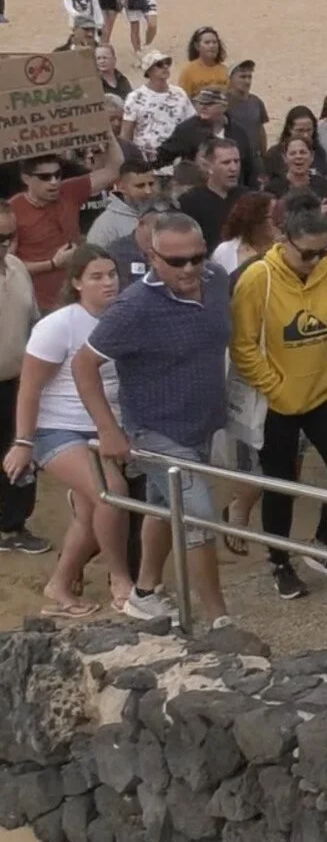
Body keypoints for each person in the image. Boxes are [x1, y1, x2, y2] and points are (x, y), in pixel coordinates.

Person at [73, 211, 231, 625]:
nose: (190, 268)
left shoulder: (216, 280)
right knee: (197, 517)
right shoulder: (134, 307)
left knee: (163, 507)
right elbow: (83, 364)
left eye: (197, 257)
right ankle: (218, 619)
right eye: (177, 261)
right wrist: (108, 429)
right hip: (155, 430)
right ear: (152, 257)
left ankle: (144, 591)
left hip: (201, 423)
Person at [228, 202, 327, 600]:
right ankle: (280, 562)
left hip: (323, 391)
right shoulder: (257, 278)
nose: (315, 260)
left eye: (325, 251)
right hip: (276, 401)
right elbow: (243, 347)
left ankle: (322, 544)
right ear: (283, 240)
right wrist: (275, 387)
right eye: (307, 253)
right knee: (280, 486)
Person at [4, 244, 134, 612]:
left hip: (107, 427)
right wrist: (23, 441)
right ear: (76, 282)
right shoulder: (58, 325)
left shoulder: (123, 318)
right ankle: (121, 579)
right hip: (58, 429)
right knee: (112, 491)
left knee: (92, 515)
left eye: (112, 274)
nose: (108, 282)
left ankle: (59, 586)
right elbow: (29, 388)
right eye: (97, 276)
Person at [11, 142, 123, 312]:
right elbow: (7, 265)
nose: (54, 182)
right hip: (38, 304)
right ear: (26, 179)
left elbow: (115, 169)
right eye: (45, 177)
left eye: (58, 175)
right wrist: (52, 264)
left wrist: (106, 133)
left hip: (78, 299)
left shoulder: (69, 190)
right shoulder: (14, 210)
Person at [0, 213, 42, 554]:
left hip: (19, 381)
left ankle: (14, 526)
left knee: (21, 450)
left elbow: (35, 322)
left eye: (9, 236)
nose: (4, 243)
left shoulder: (17, 267)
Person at [160, 88, 260, 190]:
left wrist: (253, 194)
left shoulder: (238, 132)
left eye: (209, 104)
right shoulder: (187, 130)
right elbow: (164, 155)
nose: (203, 107)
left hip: (232, 192)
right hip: (197, 193)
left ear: (224, 107)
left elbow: (249, 167)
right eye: (200, 103)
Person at [122, 49, 194, 176]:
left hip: (176, 165)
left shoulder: (180, 94)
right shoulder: (135, 97)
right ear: (149, 71)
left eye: (167, 63)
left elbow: (191, 125)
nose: (165, 67)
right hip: (146, 167)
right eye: (159, 65)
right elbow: (126, 135)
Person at [177, 139, 249, 244]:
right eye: (226, 162)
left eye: (236, 161)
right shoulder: (189, 202)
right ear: (208, 166)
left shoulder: (248, 198)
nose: (233, 168)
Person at [86, 157, 156, 250]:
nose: (148, 191)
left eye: (151, 184)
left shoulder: (164, 212)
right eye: (140, 186)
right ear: (121, 187)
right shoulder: (105, 225)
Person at [210, 191, 275, 274]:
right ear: (255, 219)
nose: (279, 221)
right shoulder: (224, 251)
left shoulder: (285, 251)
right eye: (272, 217)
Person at [264, 106, 327, 183]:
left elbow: (325, 181)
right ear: (290, 129)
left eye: (309, 130)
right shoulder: (274, 154)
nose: (305, 135)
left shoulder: (319, 152)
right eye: (300, 130)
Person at [178, 26, 229, 99]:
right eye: (207, 43)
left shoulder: (225, 71)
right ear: (197, 46)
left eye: (214, 42)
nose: (212, 46)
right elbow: (183, 100)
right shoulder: (188, 71)